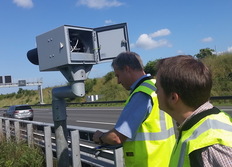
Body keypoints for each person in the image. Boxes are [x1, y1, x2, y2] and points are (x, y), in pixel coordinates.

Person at [93, 51, 176, 167]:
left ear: (127, 69)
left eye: (118, 75)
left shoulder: (141, 94)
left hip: (147, 163)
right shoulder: (155, 86)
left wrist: (100, 137)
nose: (118, 81)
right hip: (166, 160)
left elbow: (116, 138)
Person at [155, 55, 232, 167]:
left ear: (173, 98)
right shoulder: (196, 128)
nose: (156, 93)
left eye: (157, 88)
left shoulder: (209, 146)